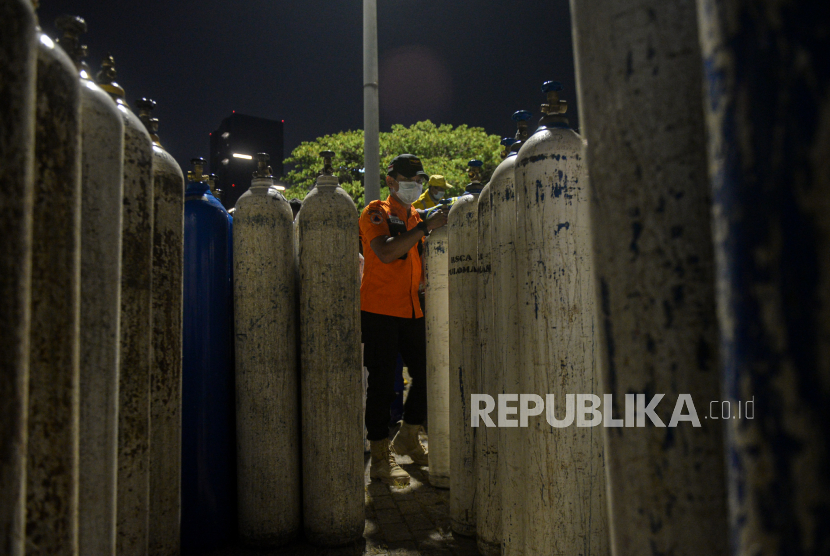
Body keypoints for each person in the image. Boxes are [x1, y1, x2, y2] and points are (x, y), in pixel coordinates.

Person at [359, 154, 449, 487]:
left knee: (429, 372)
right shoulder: (376, 212)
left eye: (419, 180)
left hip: (413, 310)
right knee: (382, 386)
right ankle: (380, 459)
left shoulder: (414, 215)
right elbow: (385, 252)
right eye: (410, 179)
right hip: (380, 310)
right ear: (392, 180)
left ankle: (409, 435)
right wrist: (426, 227)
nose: (416, 186)